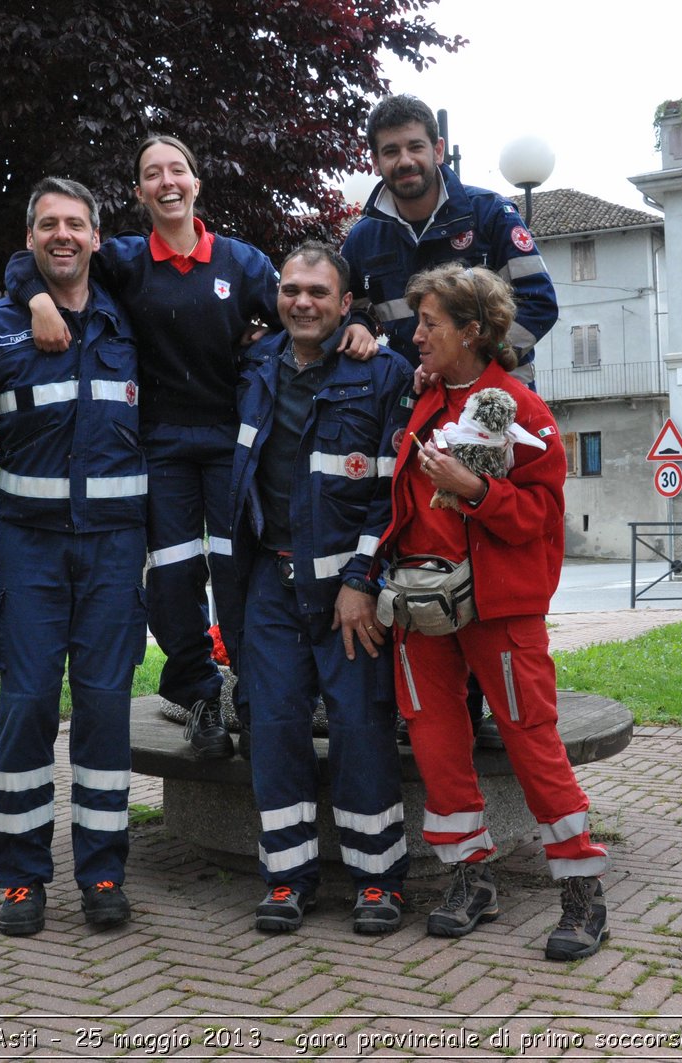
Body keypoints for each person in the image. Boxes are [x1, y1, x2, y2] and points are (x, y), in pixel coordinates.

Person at [6, 136, 375, 760]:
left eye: (177, 170)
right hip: (162, 448)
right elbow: (30, 264)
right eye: (152, 174)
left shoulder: (242, 263)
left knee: (236, 575)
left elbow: (304, 314)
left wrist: (357, 325)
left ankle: (258, 701)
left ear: (197, 183)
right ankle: (201, 697)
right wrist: (40, 301)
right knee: (175, 580)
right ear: (140, 191)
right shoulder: (122, 260)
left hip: (235, 448)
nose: (166, 181)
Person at [378, 263, 610, 961]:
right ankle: (469, 879)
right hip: (422, 608)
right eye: (416, 321)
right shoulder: (424, 399)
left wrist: (475, 488)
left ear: (473, 331)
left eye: (430, 324)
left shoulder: (521, 408)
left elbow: (541, 516)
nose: (415, 335)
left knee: (531, 738)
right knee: (436, 740)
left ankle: (581, 892)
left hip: (498, 609)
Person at [0, 177, 147, 937]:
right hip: (26, 549)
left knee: (103, 711)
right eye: (48, 225)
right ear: (28, 241)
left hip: (116, 550)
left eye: (76, 224)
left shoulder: (134, 323)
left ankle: (102, 871)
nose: (63, 235)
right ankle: (22, 878)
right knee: (25, 708)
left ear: (97, 237)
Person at [341, 94, 560, 750]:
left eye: (415, 145)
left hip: (486, 411)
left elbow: (540, 305)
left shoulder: (488, 215)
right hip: (409, 418)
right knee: (421, 546)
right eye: (390, 150)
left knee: (482, 547)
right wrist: (356, 325)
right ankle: (439, 705)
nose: (404, 160)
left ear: (437, 149)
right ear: (375, 160)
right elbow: (354, 314)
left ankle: (487, 697)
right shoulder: (362, 237)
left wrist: (471, 362)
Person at [229, 242, 414, 934]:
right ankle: (287, 878)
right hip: (269, 585)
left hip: (347, 588)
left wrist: (363, 579)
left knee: (362, 727)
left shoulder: (382, 371)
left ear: (345, 305)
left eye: (317, 292)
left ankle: (378, 878)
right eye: (290, 289)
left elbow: (391, 494)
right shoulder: (253, 367)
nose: (301, 301)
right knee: (273, 726)